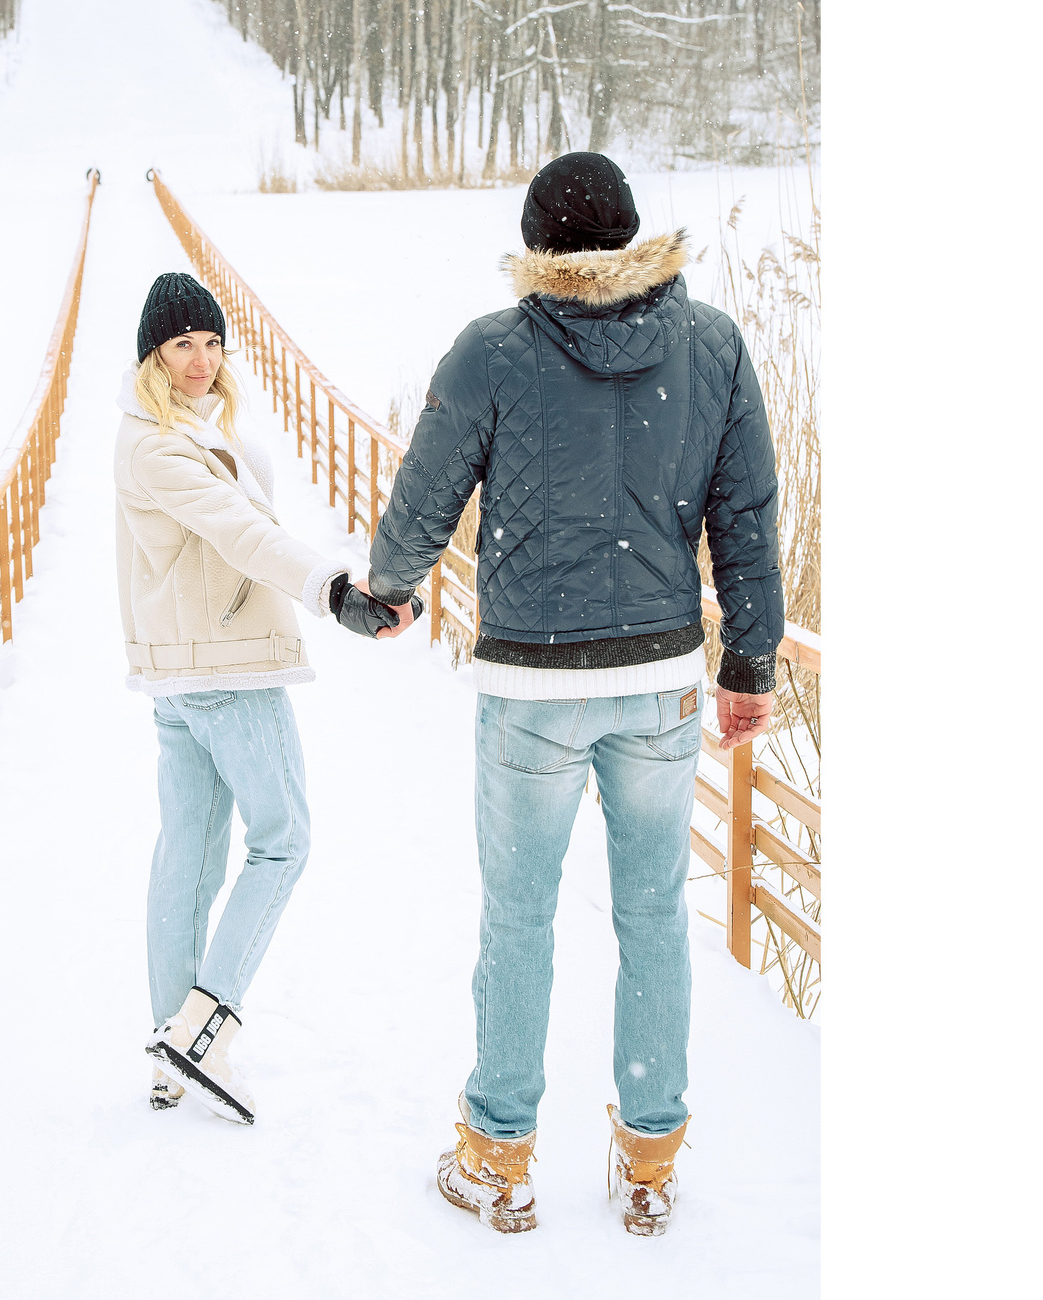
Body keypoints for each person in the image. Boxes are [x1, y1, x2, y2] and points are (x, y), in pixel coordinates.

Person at [358, 150, 782, 1237]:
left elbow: (421, 502)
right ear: (634, 234)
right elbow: (745, 517)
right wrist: (748, 663)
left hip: (532, 687)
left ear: (538, 246)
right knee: (651, 917)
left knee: (518, 919)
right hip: (658, 688)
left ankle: (496, 1152)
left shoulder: (494, 350)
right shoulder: (711, 346)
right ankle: (648, 1156)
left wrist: (387, 592)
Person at [119, 272, 414, 1124]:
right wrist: (334, 590)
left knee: (193, 853)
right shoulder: (157, 446)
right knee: (284, 841)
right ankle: (203, 1029)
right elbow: (241, 531)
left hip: (186, 670)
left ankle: (173, 1048)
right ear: (152, 354)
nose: (201, 359)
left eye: (212, 342)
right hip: (226, 667)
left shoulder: (177, 430)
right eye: (181, 344)